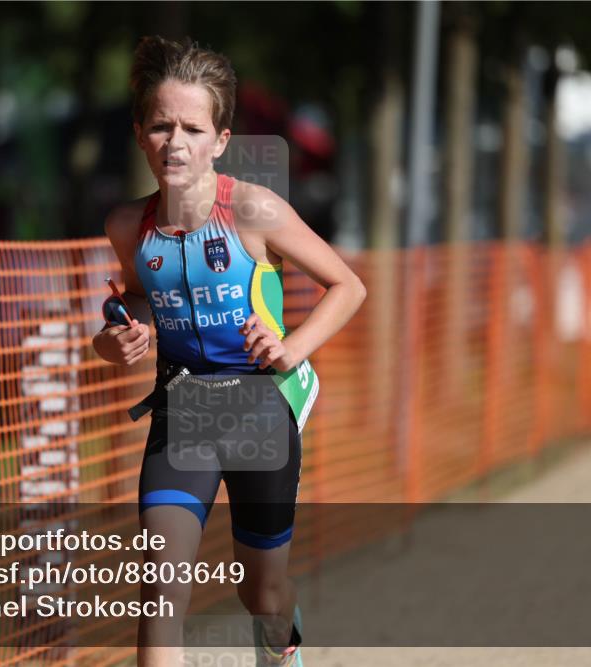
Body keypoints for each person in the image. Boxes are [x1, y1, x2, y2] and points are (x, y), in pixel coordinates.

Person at [93, 36, 366, 667]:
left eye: (193, 128)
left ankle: (283, 649)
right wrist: (117, 336)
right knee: (160, 594)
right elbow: (137, 299)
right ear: (139, 135)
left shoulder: (252, 209)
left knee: (261, 594)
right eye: (161, 126)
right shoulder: (127, 226)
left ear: (220, 140)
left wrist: (290, 347)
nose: (176, 142)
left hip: (259, 413)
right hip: (181, 415)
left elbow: (348, 286)